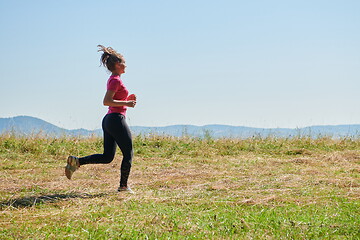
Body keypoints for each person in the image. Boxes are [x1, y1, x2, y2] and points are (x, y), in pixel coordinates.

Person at [65, 45, 137, 193]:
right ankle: (123, 186)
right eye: (124, 62)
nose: (126, 65)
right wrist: (127, 103)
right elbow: (106, 101)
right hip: (116, 119)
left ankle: (77, 161)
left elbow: (114, 99)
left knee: (107, 157)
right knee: (128, 153)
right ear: (117, 65)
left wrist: (126, 100)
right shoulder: (116, 80)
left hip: (110, 120)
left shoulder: (114, 79)